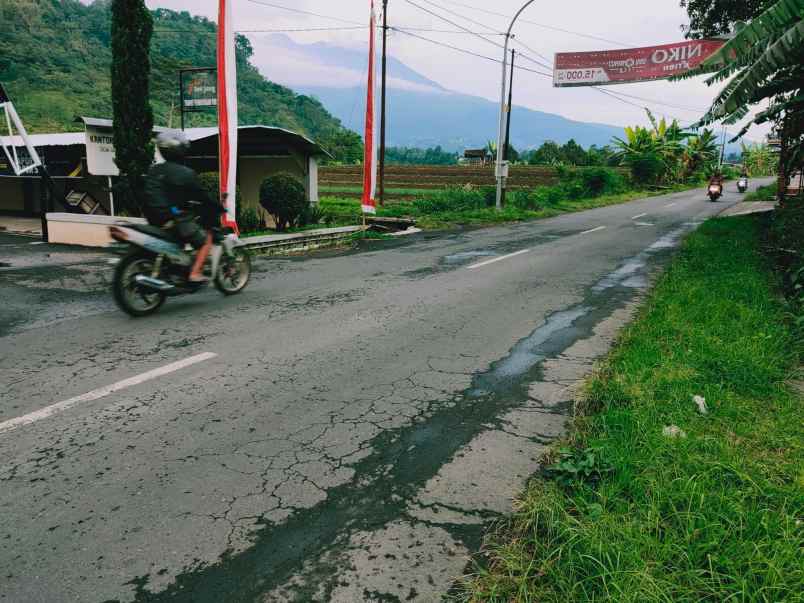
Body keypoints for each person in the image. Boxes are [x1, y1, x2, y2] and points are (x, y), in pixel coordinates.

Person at [144, 131, 222, 283]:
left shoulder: (154, 169)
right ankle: (194, 273)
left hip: (152, 218)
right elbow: (202, 196)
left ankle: (176, 269)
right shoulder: (186, 173)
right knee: (205, 241)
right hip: (172, 217)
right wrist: (218, 207)